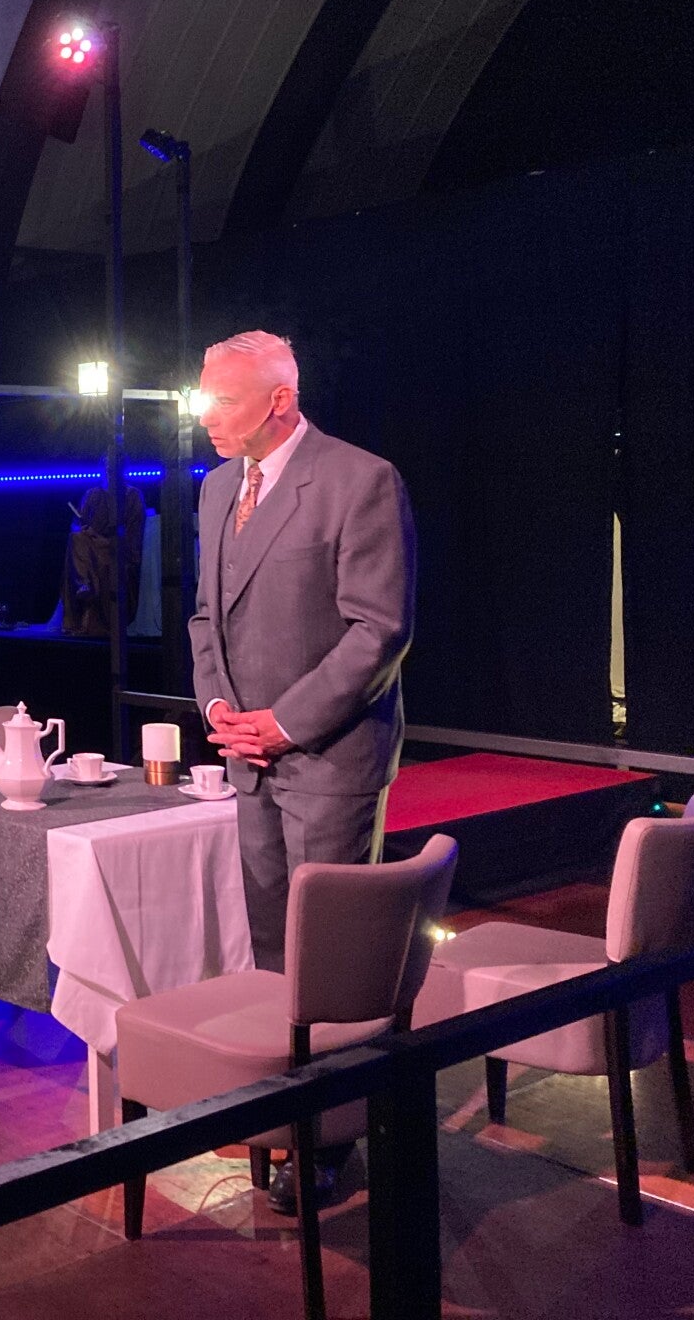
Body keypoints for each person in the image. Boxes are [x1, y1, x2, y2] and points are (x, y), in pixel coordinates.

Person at [188, 330, 416, 1214]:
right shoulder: (216, 488)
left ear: (279, 401)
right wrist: (219, 711)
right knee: (273, 951)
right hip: (247, 759)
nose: (207, 417)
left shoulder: (361, 480)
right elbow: (205, 618)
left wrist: (283, 724)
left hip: (328, 758)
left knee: (333, 958)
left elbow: (379, 630)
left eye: (225, 401)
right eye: (205, 398)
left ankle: (334, 1138)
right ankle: (288, 1113)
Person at [60, 482, 145, 637]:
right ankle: (85, 584)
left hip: (115, 550)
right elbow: (77, 524)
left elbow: (132, 537)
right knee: (77, 539)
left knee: (82, 545)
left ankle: (85, 584)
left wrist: (102, 540)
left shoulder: (132, 495)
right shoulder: (91, 494)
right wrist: (86, 531)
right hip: (91, 548)